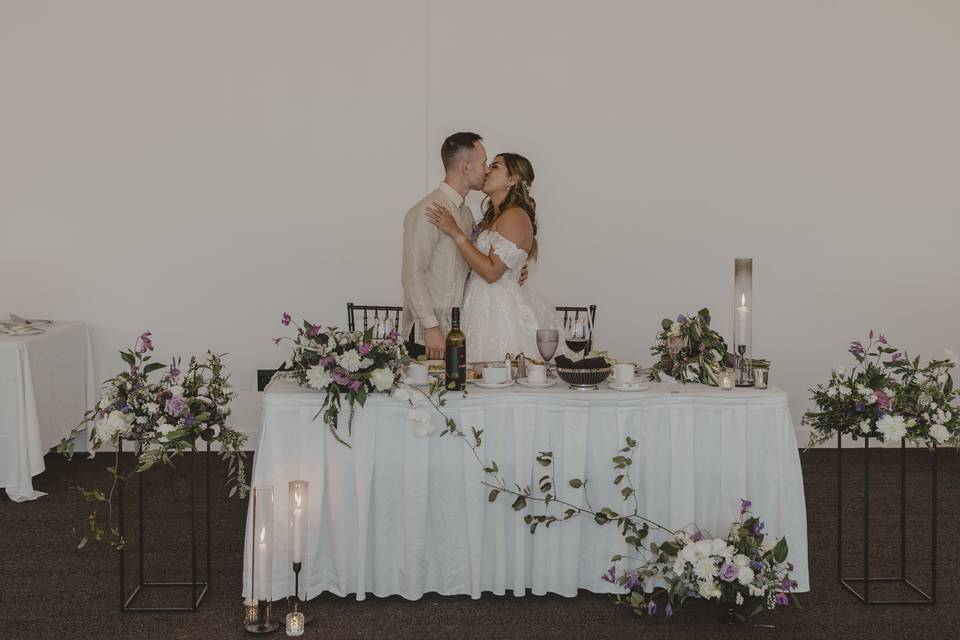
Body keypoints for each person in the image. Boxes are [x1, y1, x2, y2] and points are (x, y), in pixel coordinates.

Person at [425, 152, 553, 362]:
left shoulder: (515, 215)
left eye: (495, 166)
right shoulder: (492, 218)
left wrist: (454, 231)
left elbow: (492, 272)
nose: (486, 170)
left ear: (512, 180)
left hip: (498, 314)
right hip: (476, 307)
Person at [401, 132, 487, 360]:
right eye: (484, 163)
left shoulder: (466, 214)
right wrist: (431, 328)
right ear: (466, 167)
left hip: (457, 331)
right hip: (429, 338)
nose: (486, 170)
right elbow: (413, 274)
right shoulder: (428, 210)